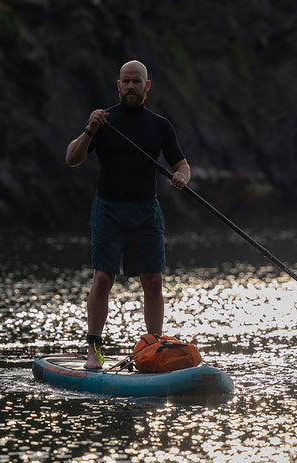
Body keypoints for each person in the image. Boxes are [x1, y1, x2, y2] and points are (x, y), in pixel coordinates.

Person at [66, 60, 191, 368]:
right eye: (127, 81)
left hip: (146, 210)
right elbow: (72, 158)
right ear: (118, 85)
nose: (132, 86)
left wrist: (181, 178)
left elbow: (181, 164)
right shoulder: (103, 121)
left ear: (147, 86)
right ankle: (94, 351)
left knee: (152, 280)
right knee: (103, 279)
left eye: (137, 81)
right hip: (108, 209)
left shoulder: (160, 125)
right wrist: (89, 128)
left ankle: (154, 350)